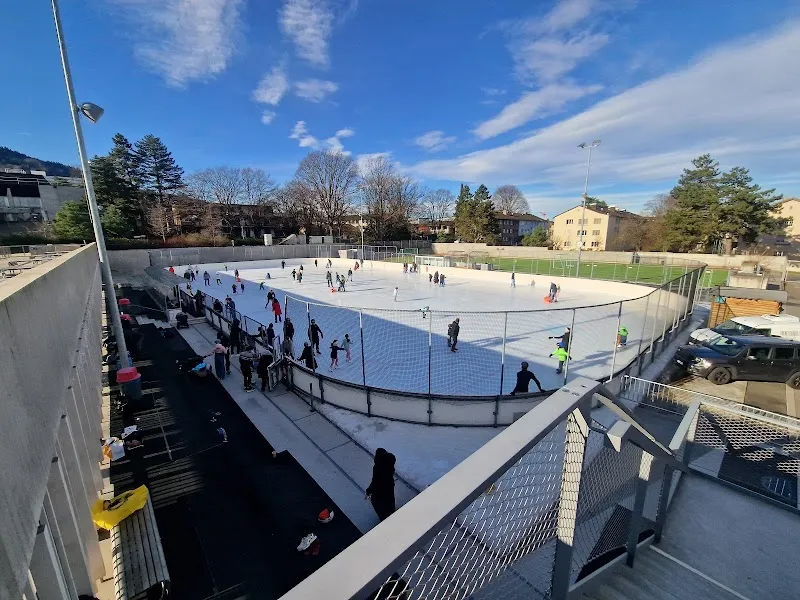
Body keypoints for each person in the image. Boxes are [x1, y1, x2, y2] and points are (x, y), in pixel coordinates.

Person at [366, 448, 396, 521]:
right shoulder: (390, 461)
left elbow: (375, 481)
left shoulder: (378, 467)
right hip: (389, 486)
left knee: (376, 502)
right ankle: (392, 513)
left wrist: (369, 490)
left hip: (380, 489)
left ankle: (384, 519)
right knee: (390, 501)